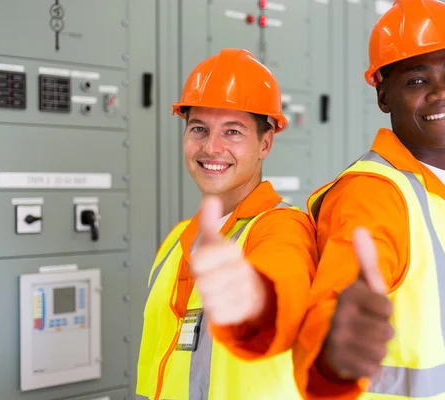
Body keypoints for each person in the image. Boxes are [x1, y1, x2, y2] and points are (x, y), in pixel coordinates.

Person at [292, 0, 445, 399]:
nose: (442, 92)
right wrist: (331, 347)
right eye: (416, 81)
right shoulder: (374, 193)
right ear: (383, 97)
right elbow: (332, 313)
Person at [135, 48, 318, 400]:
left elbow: (282, 289)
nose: (211, 147)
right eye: (198, 129)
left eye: (232, 132)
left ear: (265, 143)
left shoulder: (281, 229)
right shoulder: (176, 239)